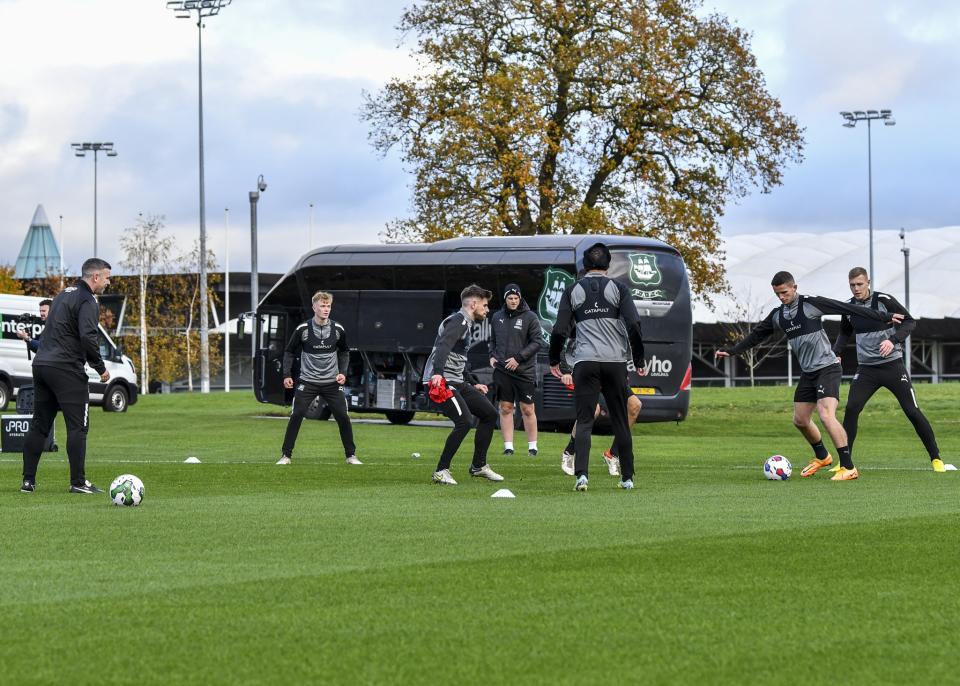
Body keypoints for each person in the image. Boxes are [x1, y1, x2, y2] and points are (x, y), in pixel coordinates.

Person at [716, 271, 901, 482]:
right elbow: (757, 335)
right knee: (800, 420)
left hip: (828, 368)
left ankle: (848, 467)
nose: (781, 297)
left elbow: (847, 308)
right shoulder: (778, 315)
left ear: (794, 287)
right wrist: (733, 351)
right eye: (777, 294)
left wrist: (884, 316)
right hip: (809, 373)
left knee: (826, 414)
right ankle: (823, 456)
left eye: (785, 292)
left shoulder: (811, 304)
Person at [548, 242, 645, 491]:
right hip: (615, 363)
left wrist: (554, 359)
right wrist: (639, 358)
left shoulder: (573, 290)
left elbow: (559, 330)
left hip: (585, 362)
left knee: (584, 419)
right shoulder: (619, 289)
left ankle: (582, 476)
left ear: (585, 265)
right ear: (608, 265)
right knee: (621, 420)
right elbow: (634, 324)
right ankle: (627, 478)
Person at [833, 267, 946, 472]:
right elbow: (844, 332)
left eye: (859, 284)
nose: (856, 288)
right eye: (852, 285)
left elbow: (909, 322)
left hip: (892, 366)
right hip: (866, 369)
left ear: (868, 282)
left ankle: (936, 458)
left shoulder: (884, 300)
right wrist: (836, 352)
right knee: (852, 409)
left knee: (912, 411)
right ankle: (844, 462)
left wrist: (893, 340)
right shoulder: (848, 307)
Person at [20, 259, 111, 494]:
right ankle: (78, 483)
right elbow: (88, 337)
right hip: (66, 368)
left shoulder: (61, 296)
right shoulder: (88, 300)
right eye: (107, 277)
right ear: (95, 277)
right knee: (78, 427)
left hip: (42, 365)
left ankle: (28, 482)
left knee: (40, 425)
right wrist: (100, 367)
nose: (108, 282)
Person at [423, 284, 503, 485]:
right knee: (465, 421)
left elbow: (458, 359)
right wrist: (438, 374)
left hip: (456, 381)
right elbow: (443, 347)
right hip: (442, 382)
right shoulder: (458, 320)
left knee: (490, 414)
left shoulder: (466, 323)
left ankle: (478, 466)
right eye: (485, 305)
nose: (487, 310)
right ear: (473, 304)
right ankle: (441, 471)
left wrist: (473, 383)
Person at [276, 291, 361, 466]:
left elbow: (345, 352)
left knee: (343, 416)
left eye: (328, 306)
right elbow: (289, 352)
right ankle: (286, 456)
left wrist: (342, 373)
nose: (326, 309)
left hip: (331, 383)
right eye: (322, 306)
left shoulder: (338, 329)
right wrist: (286, 375)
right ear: (314, 307)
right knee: (297, 414)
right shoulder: (302, 330)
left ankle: (351, 456)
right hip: (308, 382)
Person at [556, 331, 642, 477]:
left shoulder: (615, 321)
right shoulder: (580, 321)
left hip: (608, 368)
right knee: (593, 411)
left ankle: (612, 454)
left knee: (635, 406)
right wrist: (565, 370)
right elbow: (561, 340)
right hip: (585, 368)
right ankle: (569, 452)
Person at [488, 283, 543, 456]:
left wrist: (518, 358)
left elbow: (537, 342)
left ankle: (532, 447)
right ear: (505, 299)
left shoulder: (530, 317)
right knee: (505, 408)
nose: (513, 301)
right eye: (510, 298)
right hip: (502, 371)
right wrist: (491, 355)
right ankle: (508, 447)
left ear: (520, 298)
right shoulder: (497, 317)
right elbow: (492, 341)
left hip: (524, 371)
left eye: (516, 298)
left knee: (527, 409)